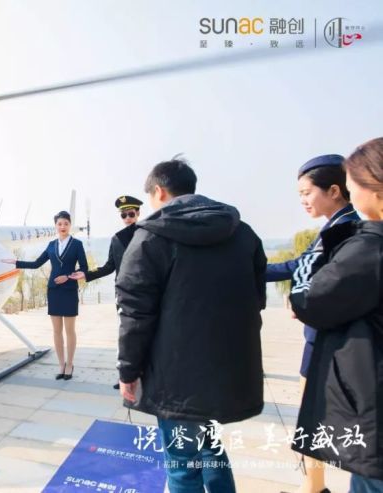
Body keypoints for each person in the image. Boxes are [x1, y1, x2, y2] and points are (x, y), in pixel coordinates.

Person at [117, 158, 266, 492]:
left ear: (159, 191)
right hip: (225, 369)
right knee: (211, 449)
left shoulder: (151, 238)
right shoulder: (242, 233)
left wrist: (128, 371)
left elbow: (135, 315)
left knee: (183, 466)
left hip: (175, 377)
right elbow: (256, 298)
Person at [289, 137, 383, 491]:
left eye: (353, 182)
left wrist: (300, 290)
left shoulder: (365, 244)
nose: (349, 189)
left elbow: (310, 297)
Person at [266, 154, 359, 493]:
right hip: (318, 338)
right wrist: (248, 269)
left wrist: (303, 303)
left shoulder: (347, 230)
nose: (303, 201)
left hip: (329, 340)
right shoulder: (331, 227)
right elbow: (298, 265)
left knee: (315, 419)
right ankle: (314, 487)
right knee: (311, 419)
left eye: (307, 193)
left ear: (334, 190)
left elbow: (332, 287)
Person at [3, 210, 88, 380]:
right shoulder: (51, 245)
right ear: (55, 226)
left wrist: (68, 276)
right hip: (54, 290)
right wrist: (16, 263)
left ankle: (70, 364)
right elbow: (36, 264)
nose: (62, 226)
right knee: (56, 331)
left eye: (66, 223)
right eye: (59, 224)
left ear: (70, 225)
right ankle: (61, 364)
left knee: (70, 330)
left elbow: (84, 268)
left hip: (69, 290)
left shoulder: (77, 244)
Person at [70, 194, 142, 389]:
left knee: (145, 335)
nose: (127, 218)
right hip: (124, 294)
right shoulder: (116, 238)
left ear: (138, 213)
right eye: (123, 215)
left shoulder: (147, 233)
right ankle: (126, 377)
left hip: (145, 293)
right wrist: (86, 274)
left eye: (131, 214)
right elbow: (109, 266)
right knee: (125, 337)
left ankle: (144, 376)